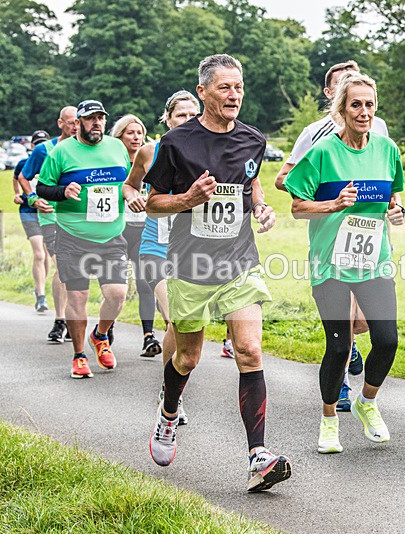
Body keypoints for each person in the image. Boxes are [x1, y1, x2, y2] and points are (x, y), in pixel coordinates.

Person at [144, 54, 291, 492]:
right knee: (187, 357)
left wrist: (261, 208)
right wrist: (187, 199)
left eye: (239, 87)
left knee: (249, 349)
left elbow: (251, 186)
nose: (234, 95)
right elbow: (152, 201)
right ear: (204, 91)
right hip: (191, 266)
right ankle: (169, 412)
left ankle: (258, 456)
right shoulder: (177, 143)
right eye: (225, 88)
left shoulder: (253, 140)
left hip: (239, 262)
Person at [284, 71, 405, 454]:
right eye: (356, 104)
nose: (364, 111)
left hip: (373, 261)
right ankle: (329, 419)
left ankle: (367, 402)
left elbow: (394, 198)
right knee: (339, 347)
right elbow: (297, 207)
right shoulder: (322, 153)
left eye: (370, 104)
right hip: (331, 264)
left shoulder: (387, 150)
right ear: (342, 108)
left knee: (387, 341)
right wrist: (333, 205)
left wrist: (397, 211)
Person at [275, 60, 383, 411]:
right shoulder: (315, 134)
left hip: (368, 236)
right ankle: (342, 389)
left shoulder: (377, 128)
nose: (360, 108)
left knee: (363, 321)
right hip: (330, 233)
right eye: (344, 90)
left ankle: (347, 344)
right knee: (345, 321)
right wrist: (330, 197)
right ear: (332, 96)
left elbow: (384, 171)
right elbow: (284, 179)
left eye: (365, 99)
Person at [36, 99, 130, 379]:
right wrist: (62, 192)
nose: (96, 123)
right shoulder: (62, 152)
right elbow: (42, 187)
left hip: (111, 234)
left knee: (117, 294)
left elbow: (126, 183)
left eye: (100, 118)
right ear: (77, 123)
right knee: (77, 296)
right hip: (73, 236)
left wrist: (133, 195)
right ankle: (79, 355)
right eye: (90, 118)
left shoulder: (117, 147)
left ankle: (100, 335)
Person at [123, 89, 201, 424]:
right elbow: (130, 185)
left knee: (182, 327)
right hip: (155, 247)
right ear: (167, 119)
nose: (186, 121)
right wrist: (133, 198)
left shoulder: (207, 152)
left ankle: (169, 390)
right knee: (173, 319)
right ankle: (172, 397)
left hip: (191, 250)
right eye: (180, 115)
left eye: (192, 115)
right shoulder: (150, 151)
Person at [18, 106, 77, 343]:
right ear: (60, 123)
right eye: (71, 122)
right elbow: (24, 176)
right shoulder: (44, 150)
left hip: (77, 217)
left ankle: (74, 318)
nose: (75, 126)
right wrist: (33, 198)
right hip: (50, 217)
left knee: (74, 269)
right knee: (61, 265)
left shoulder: (84, 150)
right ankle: (60, 320)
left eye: (78, 122)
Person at [112, 114, 160, 357]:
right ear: (119, 136)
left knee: (144, 283)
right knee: (115, 285)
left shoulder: (151, 159)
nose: (136, 137)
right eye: (130, 133)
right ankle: (106, 326)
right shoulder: (112, 160)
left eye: (139, 132)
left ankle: (148, 336)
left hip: (143, 228)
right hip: (117, 228)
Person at [13, 130, 50, 313]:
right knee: (39, 254)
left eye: (44, 142)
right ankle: (41, 294)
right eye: (37, 143)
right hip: (29, 212)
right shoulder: (23, 163)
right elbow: (17, 178)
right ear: (32, 146)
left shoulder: (51, 159)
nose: (40, 146)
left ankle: (40, 286)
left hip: (48, 212)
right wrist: (17, 194)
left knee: (47, 254)